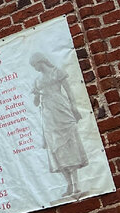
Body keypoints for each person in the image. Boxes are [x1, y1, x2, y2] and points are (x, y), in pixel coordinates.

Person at [30, 52, 87, 198]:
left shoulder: (57, 72)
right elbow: (36, 103)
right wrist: (36, 94)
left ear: (40, 61)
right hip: (48, 115)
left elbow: (69, 92)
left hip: (61, 109)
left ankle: (76, 185)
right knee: (55, 148)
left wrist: (74, 107)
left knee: (69, 143)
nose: (35, 68)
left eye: (35, 65)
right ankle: (68, 184)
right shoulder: (37, 80)